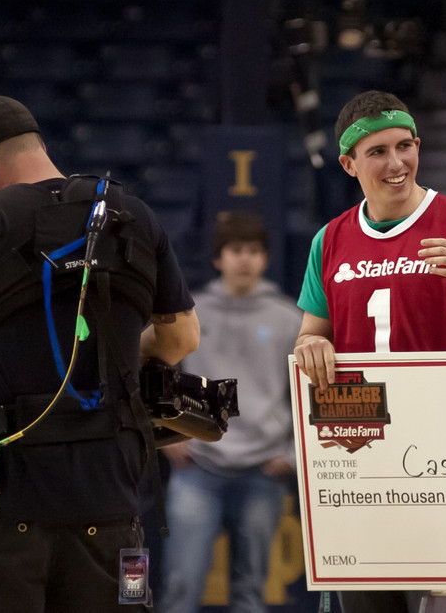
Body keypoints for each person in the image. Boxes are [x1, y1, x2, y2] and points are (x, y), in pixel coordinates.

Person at [0, 95, 200, 612]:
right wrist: (120, 348)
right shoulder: (133, 215)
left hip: (4, 504)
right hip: (112, 498)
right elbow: (181, 341)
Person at [293, 90, 446, 613]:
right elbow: (312, 335)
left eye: (405, 146)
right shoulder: (328, 241)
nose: (396, 163)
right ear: (349, 164)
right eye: (377, 152)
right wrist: (310, 346)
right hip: (357, 453)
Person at [160, 211, 301, 613]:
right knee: (181, 587)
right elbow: (155, 374)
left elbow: (309, 395)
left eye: (253, 251)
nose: (244, 259)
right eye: (235, 250)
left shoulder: (289, 318)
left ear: (266, 259)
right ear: (218, 259)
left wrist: (291, 456)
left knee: (251, 593)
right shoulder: (190, 316)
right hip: (197, 470)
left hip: (263, 472)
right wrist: (166, 434)